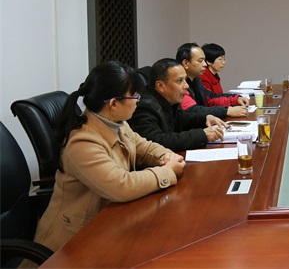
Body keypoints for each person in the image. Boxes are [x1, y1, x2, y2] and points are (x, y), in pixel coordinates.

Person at [32, 62, 185, 254]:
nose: (138, 101)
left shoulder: (117, 123)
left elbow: (143, 146)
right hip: (72, 244)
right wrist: (166, 172)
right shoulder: (83, 142)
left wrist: (166, 156)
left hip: (109, 222)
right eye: (135, 96)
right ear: (113, 104)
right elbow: (121, 185)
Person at [128, 58, 227, 151]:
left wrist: (205, 118)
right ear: (160, 86)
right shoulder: (143, 107)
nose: (186, 86)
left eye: (185, 80)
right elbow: (157, 141)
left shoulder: (169, 99)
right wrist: (202, 135)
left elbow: (182, 118)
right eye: (180, 81)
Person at [176, 42, 248, 119]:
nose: (205, 64)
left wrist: (236, 99)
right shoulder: (179, 84)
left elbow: (210, 98)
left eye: (204, 60)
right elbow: (193, 110)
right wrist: (226, 111)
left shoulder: (196, 80)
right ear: (186, 63)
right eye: (200, 61)